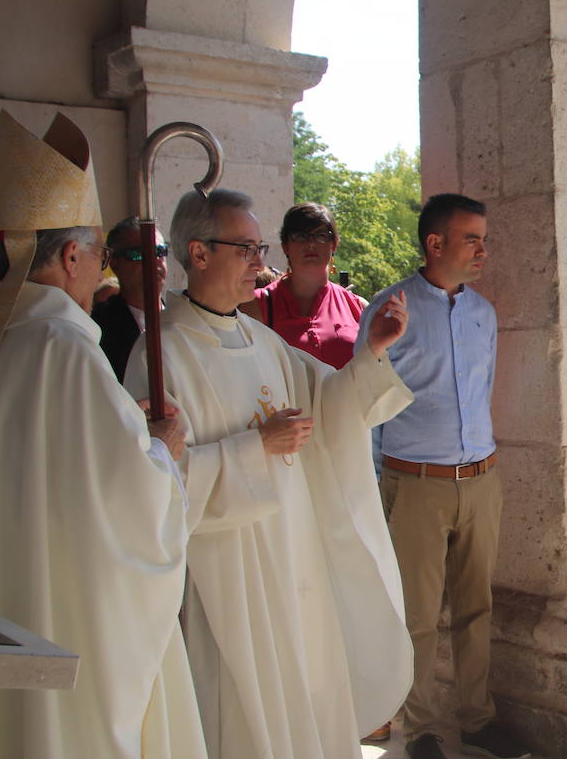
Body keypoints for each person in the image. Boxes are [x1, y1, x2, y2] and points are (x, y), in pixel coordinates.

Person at [125, 187, 415, 758]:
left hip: (295, 550)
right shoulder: (161, 355)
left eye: (261, 248)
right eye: (248, 248)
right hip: (230, 568)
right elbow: (156, 481)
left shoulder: (261, 340)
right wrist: (254, 448)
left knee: (308, 687)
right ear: (199, 253)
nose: (262, 262)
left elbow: (328, 407)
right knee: (246, 709)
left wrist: (371, 356)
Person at [0, 111, 201, 758]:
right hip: (59, 610)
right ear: (70, 256)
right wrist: (162, 450)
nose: (104, 275)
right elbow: (125, 501)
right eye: (97, 256)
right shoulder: (63, 349)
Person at [359, 193, 528, 759]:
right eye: (471, 238)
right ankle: (423, 729)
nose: (484, 249)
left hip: (481, 481)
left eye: (484, 237)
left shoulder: (484, 314)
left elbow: (480, 395)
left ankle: (477, 720)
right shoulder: (388, 310)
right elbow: (367, 405)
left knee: (477, 607)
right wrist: (382, 489)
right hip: (414, 485)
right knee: (417, 618)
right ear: (435, 244)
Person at [239, 202, 365, 370]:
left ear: (334, 244)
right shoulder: (255, 306)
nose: (310, 244)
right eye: (300, 236)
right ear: (285, 246)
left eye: (320, 235)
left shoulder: (358, 307)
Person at [93, 216, 169, 380]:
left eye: (159, 251)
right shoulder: (97, 328)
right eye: (138, 254)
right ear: (114, 264)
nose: (154, 261)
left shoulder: (183, 318)